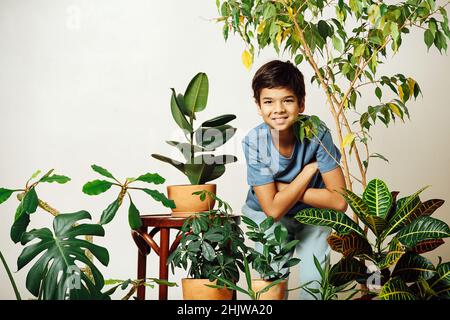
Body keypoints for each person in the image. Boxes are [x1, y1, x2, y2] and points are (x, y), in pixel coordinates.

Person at [241, 59, 348, 300]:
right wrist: (308, 172)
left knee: (315, 279)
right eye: (268, 101)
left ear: (301, 103)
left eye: (287, 100)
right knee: (271, 278)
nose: (278, 109)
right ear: (258, 106)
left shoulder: (316, 132)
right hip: (268, 217)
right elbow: (272, 210)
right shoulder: (255, 141)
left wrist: (282, 189)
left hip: (313, 213)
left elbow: (340, 201)